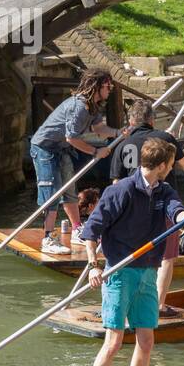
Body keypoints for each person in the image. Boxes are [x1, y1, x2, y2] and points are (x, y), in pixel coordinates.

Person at [78, 138, 184, 366]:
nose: (172, 168)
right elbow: (91, 231)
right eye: (170, 164)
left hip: (147, 272)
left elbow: (175, 211)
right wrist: (94, 265)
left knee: (146, 340)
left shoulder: (164, 191)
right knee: (114, 341)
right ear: (159, 165)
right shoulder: (120, 191)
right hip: (119, 273)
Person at [109, 99, 184, 317]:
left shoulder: (121, 145)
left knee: (133, 255)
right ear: (151, 119)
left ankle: (127, 302)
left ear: (131, 121)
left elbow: (115, 184)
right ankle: (158, 306)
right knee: (167, 256)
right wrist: (176, 148)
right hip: (162, 205)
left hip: (131, 209)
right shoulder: (165, 139)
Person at [29, 69, 120, 255]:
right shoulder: (78, 107)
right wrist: (96, 151)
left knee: (69, 189)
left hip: (61, 148)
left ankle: (77, 229)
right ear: (96, 87)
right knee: (52, 191)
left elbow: (99, 128)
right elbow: (72, 138)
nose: (110, 89)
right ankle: (48, 237)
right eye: (107, 86)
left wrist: (119, 133)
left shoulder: (93, 106)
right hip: (45, 147)